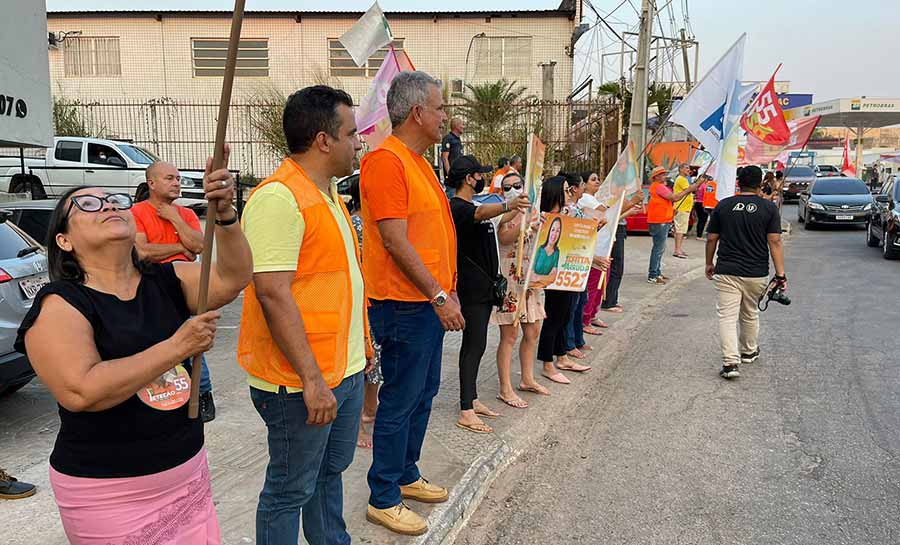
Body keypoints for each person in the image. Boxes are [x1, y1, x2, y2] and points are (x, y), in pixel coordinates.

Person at [15, 152, 252, 544]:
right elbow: (81, 390)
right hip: (108, 493)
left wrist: (225, 215)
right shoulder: (61, 304)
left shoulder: (166, 279)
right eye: (88, 204)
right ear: (64, 240)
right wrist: (177, 347)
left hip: (186, 474)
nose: (108, 205)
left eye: (116, 200)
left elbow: (233, 276)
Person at [238, 86, 373, 545]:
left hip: (343, 370)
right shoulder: (279, 198)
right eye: (352, 134)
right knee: (289, 489)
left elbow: (334, 284)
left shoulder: (328, 194)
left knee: (328, 474)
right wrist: (312, 380)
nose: (359, 143)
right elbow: (273, 295)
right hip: (300, 382)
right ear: (323, 140)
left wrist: (362, 355)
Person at [360, 71, 463, 536]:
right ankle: (383, 495)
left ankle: (406, 472)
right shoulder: (386, 161)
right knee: (400, 399)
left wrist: (448, 288)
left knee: (423, 394)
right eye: (440, 108)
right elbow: (396, 241)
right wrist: (438, 294)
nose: (446, 116)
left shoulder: (419, 161)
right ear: (418, 112)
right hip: (404, 303)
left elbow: (433, 236)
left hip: (429, 301)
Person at [447, 155, 530, 433]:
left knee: (478, 344)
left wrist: (518, 209)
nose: (482, 178)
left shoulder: (474, 205)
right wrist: (509, 203)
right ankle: (466, 410)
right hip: (471, 289)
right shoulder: (459, 207)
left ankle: (472, 399)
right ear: (469, 178)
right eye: (479, 174)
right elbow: (482, 214)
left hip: (484, 288)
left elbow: (494, 218)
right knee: (473, 346)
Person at [131, 160, 216, 422]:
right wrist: (180, 248)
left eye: (178, 178)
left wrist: (174, 218)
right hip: (149, 288)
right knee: (157, 344)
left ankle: (203, 394)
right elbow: (142, 253)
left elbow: (200, 246)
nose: (177, 182)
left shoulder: (186, 214)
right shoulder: (135, 212)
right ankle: (165, 395)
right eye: (169, 178)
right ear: (151, 183)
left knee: (194, 341)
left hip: (184, 288)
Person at [705, 165, 787, 380]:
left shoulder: (723, 206)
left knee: (727, 316)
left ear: (738, 182)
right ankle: (749, 351)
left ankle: (730, 363)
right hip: (756, 271)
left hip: (727, 269)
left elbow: (712, 238)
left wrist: (708, 263)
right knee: (750, 312)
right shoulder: (769, 209)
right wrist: (780, 275)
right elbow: (775, 241)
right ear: (761, 184)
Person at [492, 172, 551, 409]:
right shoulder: (503, 212)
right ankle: (504, 388)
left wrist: (541, 228)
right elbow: (504, 238)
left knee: (533, 330)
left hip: (530, 278)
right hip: (510, 278)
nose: (514, 190)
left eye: (517, 185)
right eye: (508, 188)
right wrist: (518, 215)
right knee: (510, 335)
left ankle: (527, 378)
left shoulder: (535, 211)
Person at [533, 176, 592, 384]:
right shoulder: (546, 218)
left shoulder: (568, 216)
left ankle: (562, 356)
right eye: (566, 190)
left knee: (565, 314)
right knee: (554, 317)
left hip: (568, 274)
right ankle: (547, 364)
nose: (570, 194)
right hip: (551, 279)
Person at [348, 176, 383, 450]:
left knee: (374, 360)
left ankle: (370, 410)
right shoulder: (356, 224)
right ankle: (360, 419)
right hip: (361, 302)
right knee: (365, 362)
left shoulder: (366, 224)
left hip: (371, 300)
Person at [646, 166, 701, 284]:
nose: (664, 176)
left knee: (659, 248)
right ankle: (653, 274)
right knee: (658, 248)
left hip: (661, 219)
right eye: (662, 174)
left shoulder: (658, 187)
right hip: (659, 220)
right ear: (656, 177)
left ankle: (656, 272)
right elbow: (674, 197)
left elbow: (668, 200)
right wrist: (688, 189)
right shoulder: (659, 187)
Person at [593, 190, 643, 319]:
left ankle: (609, 300)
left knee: (614, 268)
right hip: (613, 230)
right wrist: (630, 208)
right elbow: (610, 217)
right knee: (615, 267)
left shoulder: (623, 194)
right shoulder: (607, 196)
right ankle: (608, 301)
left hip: (618, 229)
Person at [672, 162, 694, 259]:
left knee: (681, 229)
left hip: (684, 208)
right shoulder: (681, 179)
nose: (688, 170)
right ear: (681, 169)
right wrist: (698, 183)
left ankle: (678, 249)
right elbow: (690, 189)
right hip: (682, 207)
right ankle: (677, 250)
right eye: (686, 168)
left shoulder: (683, 179)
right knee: (680, 230)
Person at [440, 117, 465, 196]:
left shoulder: (458, 139)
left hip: (459, 177)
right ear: (456, 126)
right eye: (462, 124)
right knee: (452, 198)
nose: (463, 127)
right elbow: (444, 158)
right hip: (452, 180)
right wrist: (450, 174)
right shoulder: (448, 139)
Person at [693, 174, 711, 240]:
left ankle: (698, 234)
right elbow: (707, 195)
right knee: (703, 220)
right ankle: (699, 235)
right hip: (703, 203)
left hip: (697, 202)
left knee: (700, 219)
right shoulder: (705, 186)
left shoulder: (697, 185)